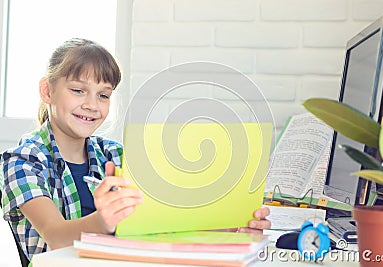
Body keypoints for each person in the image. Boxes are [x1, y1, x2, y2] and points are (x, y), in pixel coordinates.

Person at [0, 38, 271, 261]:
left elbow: (161, 224)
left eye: (104, 95)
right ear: (47, 91)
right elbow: (56, 235)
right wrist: (104, 221)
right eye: (78, 90)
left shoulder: (115, 155)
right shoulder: (23, 161)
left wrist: (229, 226)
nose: (93, 105)